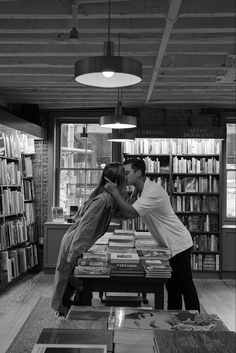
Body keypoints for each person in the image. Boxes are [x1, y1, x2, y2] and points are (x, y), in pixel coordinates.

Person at [104, 158, 200, 312]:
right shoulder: (142, 191)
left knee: (186, 286)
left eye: (127, 172)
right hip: (168, 245)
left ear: (139, 172)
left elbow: (129, 212)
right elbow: (125, 213)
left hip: (178, 243)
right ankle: (172, 321)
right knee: (173, 288)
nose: (124, 176)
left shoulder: (152, 192)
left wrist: (115, 193)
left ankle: (198, 323)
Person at [51, 162, 126, 317]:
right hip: (74, 243)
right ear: (117, 182)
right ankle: (70, 324)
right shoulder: (102, 200)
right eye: (124, 180)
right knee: (69, 289)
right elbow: (85, 230)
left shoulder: (107, 197)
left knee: (75, 288)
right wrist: (73, 258)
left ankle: (73, 318)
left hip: (77, 243)